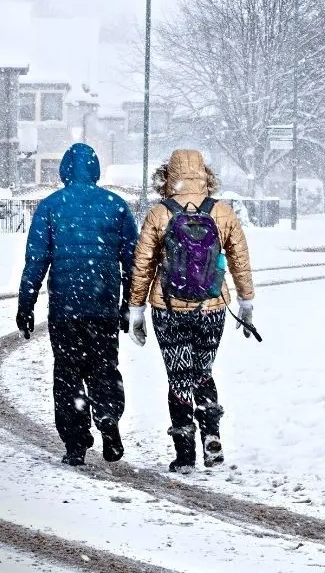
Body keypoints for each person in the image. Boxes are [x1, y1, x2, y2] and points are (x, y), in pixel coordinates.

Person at [126, 149, 256, 473]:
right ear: (205, 174)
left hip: (168, 308)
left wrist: (136, 309)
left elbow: (142, 265)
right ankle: (211, 436)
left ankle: (185, 453)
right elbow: (239, 258)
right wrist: (247, 302)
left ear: (167, 176)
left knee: (179, 378)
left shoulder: (160, 213)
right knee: (202, 373)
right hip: (212, 307)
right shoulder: (221, 212)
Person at [16, 142, 138, 467]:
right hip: (103, 306)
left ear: (64, 171)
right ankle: (108, 416)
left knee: (68, 374)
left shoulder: (50, 207)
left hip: (65, 308)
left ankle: (75, 443)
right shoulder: (116, 206)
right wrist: (129, 304)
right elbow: (134, 262)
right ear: (95, 170)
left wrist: (26, 305)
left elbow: (36, 262)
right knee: (103, 368)